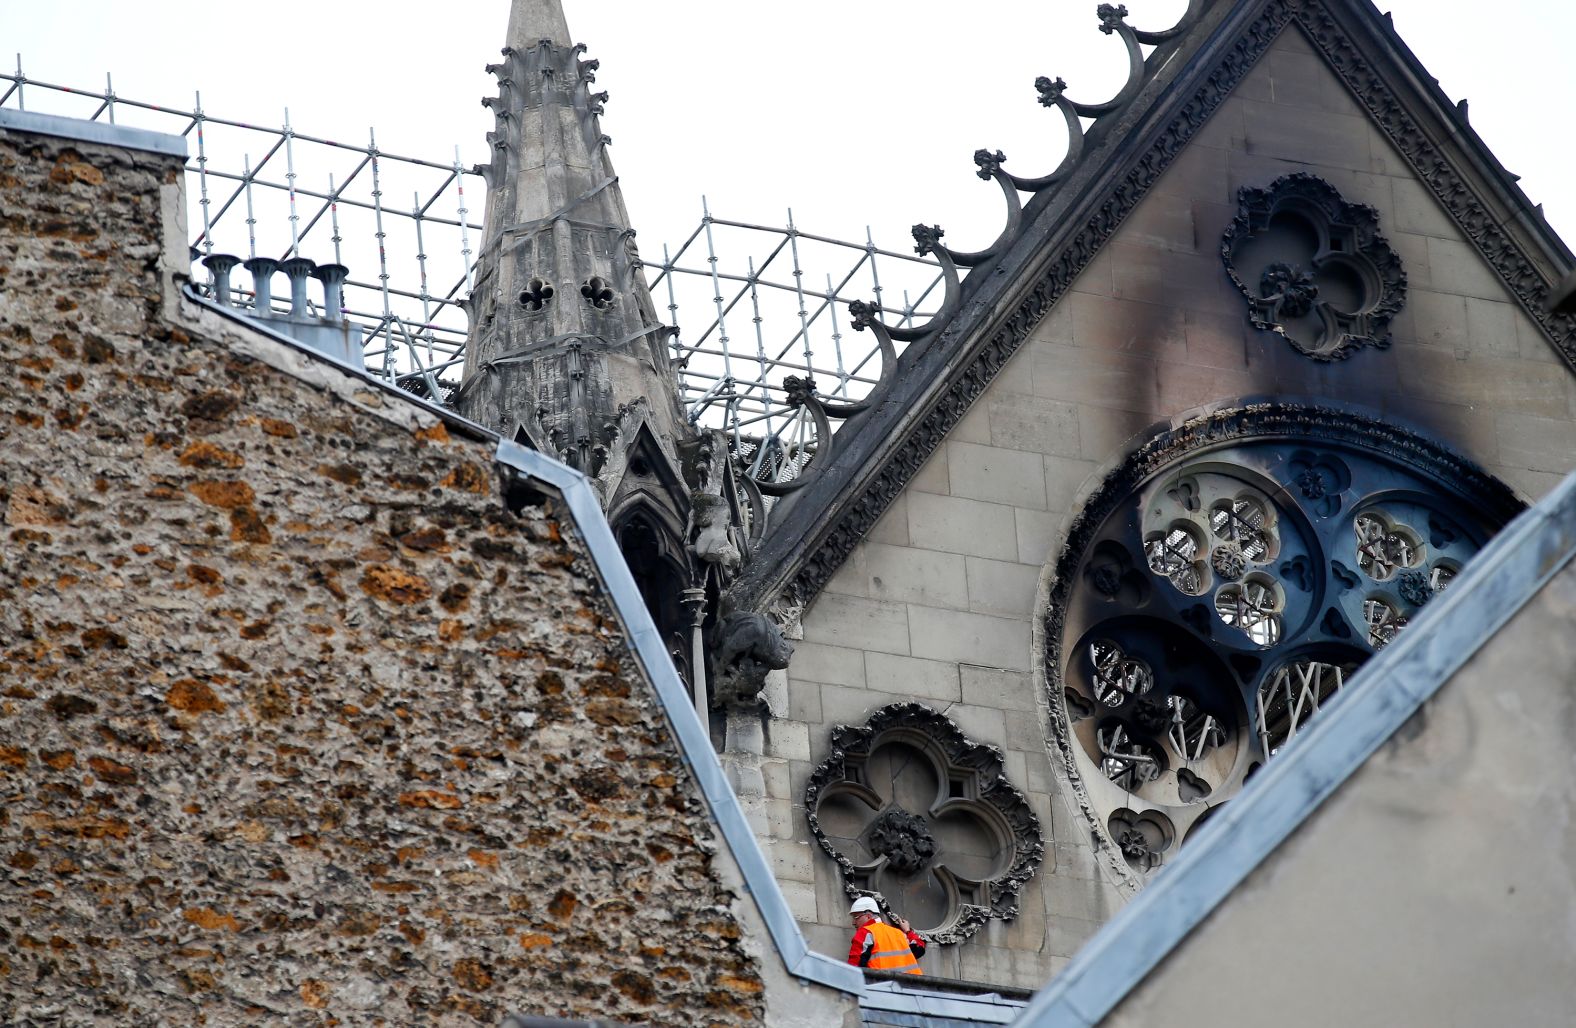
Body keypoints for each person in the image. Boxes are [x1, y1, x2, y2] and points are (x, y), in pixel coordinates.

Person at [845, 896, 925, 975]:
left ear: (868, 916)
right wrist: (908, 931)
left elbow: (854, 967)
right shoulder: (898, 933)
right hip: (914, 985)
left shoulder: (865, 932)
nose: (853, 922)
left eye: (856, 917)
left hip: (883, 986)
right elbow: (919, 949)